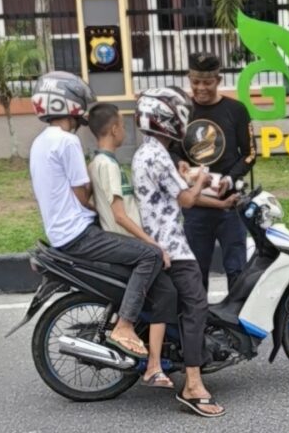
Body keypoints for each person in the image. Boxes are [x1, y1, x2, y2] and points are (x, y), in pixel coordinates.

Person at [28, 71, 160, 358]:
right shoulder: (67, 142)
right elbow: (82, 194)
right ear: (70, 104)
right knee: (149, 255)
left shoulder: (39, 142)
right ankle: (125, 325)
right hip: (79, 235)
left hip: (60, 233)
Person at [132, 86, 227, 418]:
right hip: (171, 245)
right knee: (196, 307)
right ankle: (193, 385)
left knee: (184, 305)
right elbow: (186, 199)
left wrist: (199, 181)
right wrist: (202, 177)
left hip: (162, 240)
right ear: (165, 119)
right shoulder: (158, 155)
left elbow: (176, 189)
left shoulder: (147, 151)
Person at [86, 103, 175, 389]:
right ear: (114, 129)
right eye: (123, 126)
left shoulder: (96, 163)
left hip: (120, 239)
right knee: (166, 292)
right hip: (125, 241)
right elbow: (120, 215)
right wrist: (153, 244)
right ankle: (152, 364)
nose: (125, 131)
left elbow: (92, 201)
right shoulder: (108, 165)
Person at [173, 53, 256, 292]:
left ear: (218, 80)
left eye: (207, 82)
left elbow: (250, 153)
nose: (201, 88)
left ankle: (237, 315)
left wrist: (230, 178)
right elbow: (172, 151)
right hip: (196, 205)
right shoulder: (182, 111)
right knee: (196, 272)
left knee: (236, 270)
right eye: (195, 82)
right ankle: (200, 316)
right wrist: (181, 163)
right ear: (189, 79)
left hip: (230, 204)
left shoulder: (236, 110)